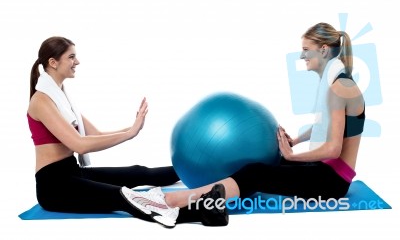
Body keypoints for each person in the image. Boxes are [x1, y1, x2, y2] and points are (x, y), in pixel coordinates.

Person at [122, 22, 365, 226]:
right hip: (323, 170)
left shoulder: (339, 88)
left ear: (323, 50)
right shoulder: (339, 82)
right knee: (263, 165)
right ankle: (206, 204)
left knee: (256, 173)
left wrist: (291, 157)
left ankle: (174, 203)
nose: (302, 56)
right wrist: (297, 141)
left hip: (332, 181)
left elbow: (333, 148)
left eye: (306, 50)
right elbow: (330, 125)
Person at [28, 37, 226, 228]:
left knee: (137, 172)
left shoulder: (62, 98)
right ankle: (203, 212)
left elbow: (94, 134)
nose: (77, 62)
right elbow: (79, 144)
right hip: (54, 186)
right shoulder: (42, 101)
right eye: (71, 57)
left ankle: (199, 171)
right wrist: (129, 134)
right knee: (124, 196)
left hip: (72, 172)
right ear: (53, 62)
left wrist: (132, 127)